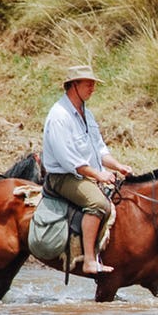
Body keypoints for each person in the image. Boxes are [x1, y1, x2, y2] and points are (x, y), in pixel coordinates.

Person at [41, 64, 134, 275]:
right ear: (74, 85)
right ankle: (89, 261)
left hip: (85, 174)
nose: (93, 88)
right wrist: (98, 174)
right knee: (98, 204)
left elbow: (100, 149)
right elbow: (68, 160)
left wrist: (118, 166)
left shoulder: (87, 114)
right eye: (88, 84)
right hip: (63, 177)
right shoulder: (59, 116)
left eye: (93, 84)